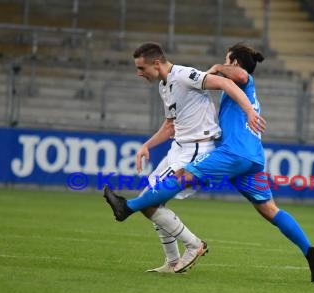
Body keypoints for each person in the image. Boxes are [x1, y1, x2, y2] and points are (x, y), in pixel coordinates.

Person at [104, 43, 314, 282]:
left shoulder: (243, 80)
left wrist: (219, 68)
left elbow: (240, 74)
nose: (222, 64)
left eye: (227, 59)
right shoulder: (228, 92)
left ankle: (128, 208)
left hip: (233, 154)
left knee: (180, 177)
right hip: (252, 158)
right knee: (270, 210)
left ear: (234, 62)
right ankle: (310, 251)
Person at [104, 42, 265, 274]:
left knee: (149, 201)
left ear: (156, 63)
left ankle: (195, 244)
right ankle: (172, 262)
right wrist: (146, 146)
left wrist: (250, 110)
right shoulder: (164, 86)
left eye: (141, 68)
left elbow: (224, 82)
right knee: (149, 201)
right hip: (178, 148)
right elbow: (170, 126)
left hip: (197, 150)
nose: (139, 74)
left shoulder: (184, 75)